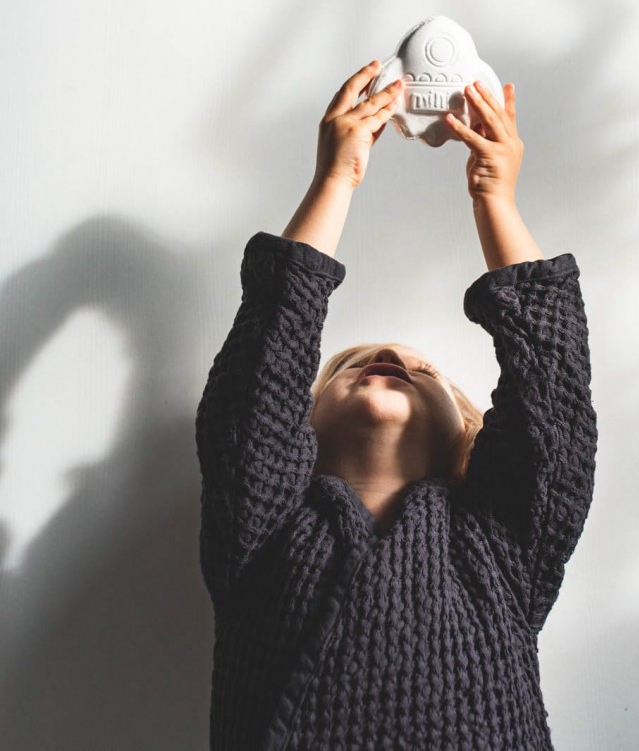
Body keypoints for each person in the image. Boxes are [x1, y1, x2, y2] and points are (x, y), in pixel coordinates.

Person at [195, 59, 598, 750]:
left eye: (425, 371)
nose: (390, 356)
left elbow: (552, 402)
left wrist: (495, 199)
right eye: (348, 366)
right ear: (301, 423)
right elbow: (256, 389)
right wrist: (334, 181)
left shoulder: (503, 543)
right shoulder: (258, 530)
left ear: (467, 432)